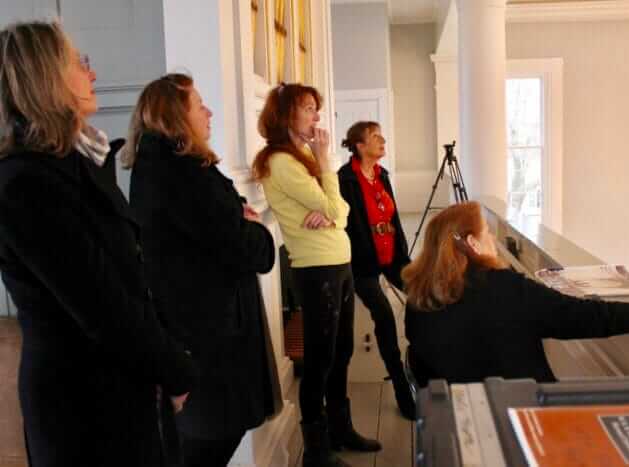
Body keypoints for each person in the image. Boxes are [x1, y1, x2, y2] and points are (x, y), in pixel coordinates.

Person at [0, 21, 195, 467]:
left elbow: (127, 278)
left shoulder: (77, 162)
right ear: (46, 77)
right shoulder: (25, 183)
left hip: (120, 387)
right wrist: (174, 368)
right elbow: (103, 305)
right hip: (83, 408)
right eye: (78, 63)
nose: (91, 73)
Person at [124, 73, 282, 467]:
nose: (208, 112)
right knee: (208, 441)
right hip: (210, 338)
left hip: (199, 331)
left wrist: (243, 225)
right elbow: (248, 249)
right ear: (175, 116)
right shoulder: (184, 174)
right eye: (199, 105)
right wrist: (257, 230)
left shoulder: (162, 168)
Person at [253, 83, 380, 467]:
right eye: (308, 108)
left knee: (341, 353)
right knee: (320, 360)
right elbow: (336, 208)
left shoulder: (302, 156)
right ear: (286, 114)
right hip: (316, 268)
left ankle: (341, 429)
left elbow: (341, 212)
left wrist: (331, 213)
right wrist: (325, 164)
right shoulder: (281, 162)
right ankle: (316, 451)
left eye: (315, 108)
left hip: (338, 262)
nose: (316, 116)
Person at [403, 201, 629, 386]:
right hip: (524, 418)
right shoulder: (506, 289)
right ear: (473, 243)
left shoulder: (418, 298)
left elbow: (421, 371)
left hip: (458, 421)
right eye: (488, 234)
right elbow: (588, 316)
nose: (493, 241)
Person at [337, 121, 415, 420]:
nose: (383, 140)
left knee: (423, 296)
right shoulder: (345, 179)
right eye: (375, 136)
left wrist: (403, 257)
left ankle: (419, 365)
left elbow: (393, 220)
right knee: (384, 314)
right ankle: (400, 387)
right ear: (359, 145)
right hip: (362, 265)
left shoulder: (382, 175)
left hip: (392, 257)